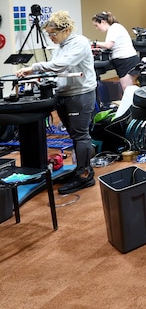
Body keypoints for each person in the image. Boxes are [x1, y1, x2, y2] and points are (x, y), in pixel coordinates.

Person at [16, 11, 97, 194]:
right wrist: (39, 76)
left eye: (53, 34)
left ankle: (85, 176)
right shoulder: (59, 46)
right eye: (49, 34)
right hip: (63, 94)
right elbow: (54, 69)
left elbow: (64, 65)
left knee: (80, 135)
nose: (51, 37)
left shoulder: (80, 43)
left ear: (66, 30)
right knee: (74, 135)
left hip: (80, 95)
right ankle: (79, 170)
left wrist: (34, 67)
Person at [91, 11, 140, 91]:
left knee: (127, 88)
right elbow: (111, 46)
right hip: (123, 61)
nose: (97, 28)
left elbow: (108, 45)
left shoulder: (114, 28)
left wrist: (94, 43)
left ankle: (133, 103)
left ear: (103, 22)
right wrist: (98, 48)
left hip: (127, 60)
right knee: (127, 88)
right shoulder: (114, 28)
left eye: (97, 25)